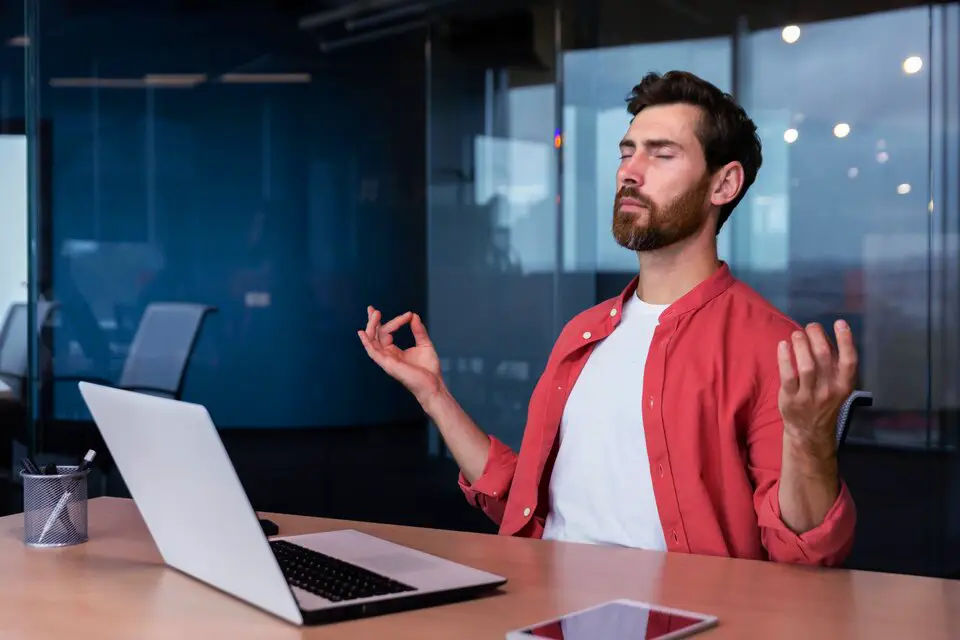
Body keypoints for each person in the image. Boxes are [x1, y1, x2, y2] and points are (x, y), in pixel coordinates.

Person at [358, 71, 856, 566]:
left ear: (723, 183)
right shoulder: (585, 334)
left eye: (661, 154)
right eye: (626, 152)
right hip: (546, 606)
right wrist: (434, 394)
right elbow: (524, 506)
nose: (629, 172)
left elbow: (804, 558)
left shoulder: (771, 345)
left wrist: (810, 440)